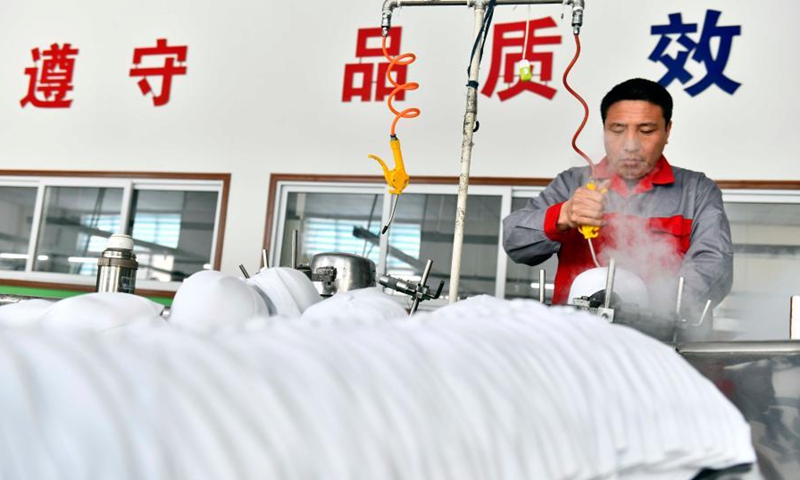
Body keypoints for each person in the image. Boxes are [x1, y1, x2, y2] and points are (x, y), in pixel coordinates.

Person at [502, 78, 732, 338]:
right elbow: (514, 240)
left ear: (667, 131)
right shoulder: (571, 183)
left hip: (659, 346)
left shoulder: (696, 191)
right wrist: (562, 215)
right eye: (618, 130)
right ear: (604, 129)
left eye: (646, 130)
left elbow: (714, 265)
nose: (630, 145)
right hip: (573, 341)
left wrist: (650, 315)